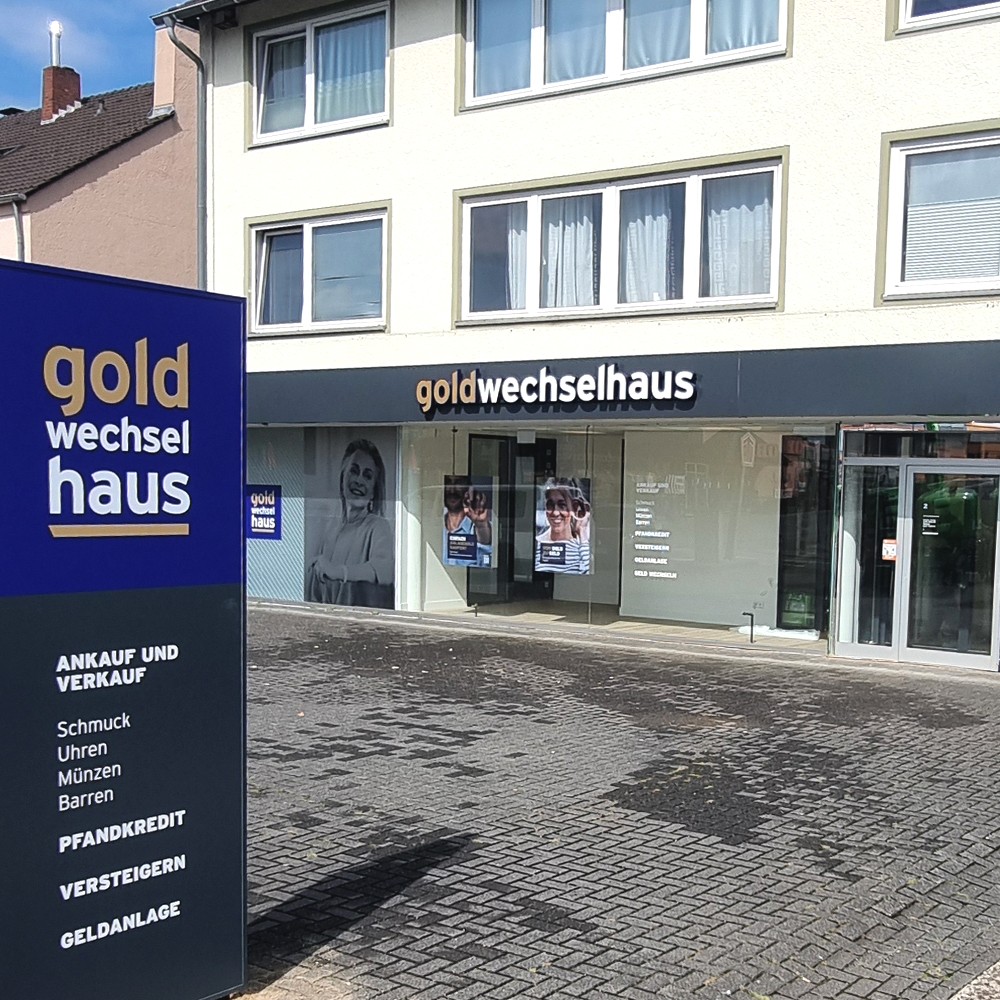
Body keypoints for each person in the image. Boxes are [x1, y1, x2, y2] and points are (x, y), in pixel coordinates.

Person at [305, 439, 394, 608]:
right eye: (354, 471)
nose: (359, 481)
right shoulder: (330, 530)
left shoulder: (378, 527)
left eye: (367, 476)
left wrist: (338, 572)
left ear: (374, 490)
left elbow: (384, 571)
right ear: (342, 477)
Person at [535, 477, 591, 574]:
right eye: (550, 505)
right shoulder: (537, 543)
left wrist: (582, 533)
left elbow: (590, 576)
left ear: (574, 508)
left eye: (562, 505)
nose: (555, 513)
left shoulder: (582, 547)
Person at [443, 476, 493, 567]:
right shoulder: (434, 526)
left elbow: (487, 557)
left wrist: (481, 525)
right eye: (448, 483)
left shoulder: (481, 527)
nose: (452, 491)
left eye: (459, 483)